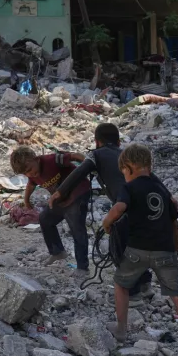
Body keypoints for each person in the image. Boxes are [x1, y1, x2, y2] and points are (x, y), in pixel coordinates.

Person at [101, 143, 178, 353]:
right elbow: (174, 223)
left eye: (124, 173)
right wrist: (174, 249)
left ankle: (120, 330)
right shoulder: (162, 190)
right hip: (164, 251)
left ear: (128, 167)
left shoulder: (129, 188)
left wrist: (106, 224)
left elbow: (119, 208)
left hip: (137, 250)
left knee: (121, 284)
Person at [51, 123, 152, 298]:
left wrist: (59, 193)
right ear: (119, 141)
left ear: (97, 142)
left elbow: (79, 173)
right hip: (147, 204)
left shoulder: (96, 154)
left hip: (125, 207)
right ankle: (145, 283)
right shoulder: (126, 155)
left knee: (120, 248)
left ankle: (133, 294)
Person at [10, 146, 91, 278]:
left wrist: (90, 165)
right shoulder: (33, 176)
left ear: (36, 159)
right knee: (45, 219)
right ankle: (57, 252)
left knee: (77, 229)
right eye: (26, 173)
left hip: (78, 193)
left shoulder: (51, 160)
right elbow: (30, 185)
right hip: (60, 199)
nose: (30, 174)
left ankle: (83, 267)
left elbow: (74, 156)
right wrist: (26, 201)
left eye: (30, 169)